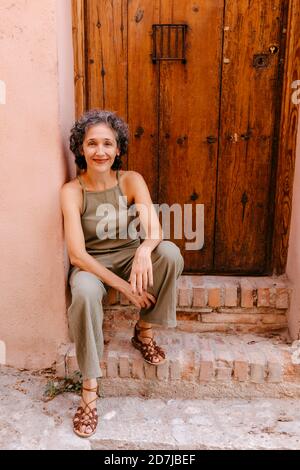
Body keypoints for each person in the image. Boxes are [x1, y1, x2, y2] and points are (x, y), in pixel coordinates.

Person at [60, 109, 184, 438]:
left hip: (130, 254)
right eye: (91, 144)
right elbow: (77, 254)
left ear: (118, 149)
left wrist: (144, 250)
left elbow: (154, 231)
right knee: (85, 292)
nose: (100, 151)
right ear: (80, 148)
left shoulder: (131, 180)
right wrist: (123, 288)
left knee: (169, 253)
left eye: (107, 144)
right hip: (93, 263)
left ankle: (143, 332)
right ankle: (89, 390)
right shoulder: (72, 192)